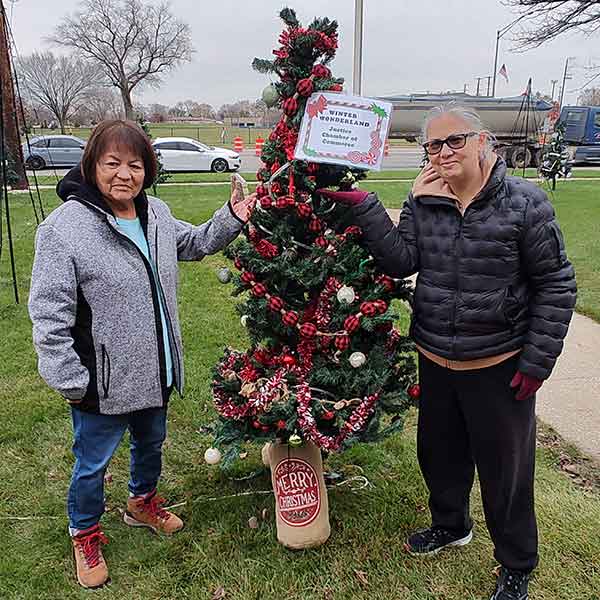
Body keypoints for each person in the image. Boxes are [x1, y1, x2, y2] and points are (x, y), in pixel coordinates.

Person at [321, 104, 576, 600]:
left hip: (499, 363)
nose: (442, 153)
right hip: (436, 355)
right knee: (440, 454)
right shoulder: (423, 199)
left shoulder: (526, 204)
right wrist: (366, 206)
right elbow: (402, 260)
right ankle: (451, 524)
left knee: (506, 473)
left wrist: (537, 361)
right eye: (432, 146)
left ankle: (516, 562)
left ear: (483, 143)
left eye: (453, 141)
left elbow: (556, 284)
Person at [28, 119, 256, 589]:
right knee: (92, 463)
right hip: (101, 381)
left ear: (147, 171)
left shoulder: (155, 214)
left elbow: (192, 244)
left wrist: (232, 215)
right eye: (112, 163)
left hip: (156, 370)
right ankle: (85, 532)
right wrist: (71, 379)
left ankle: (141, 503)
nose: (123, 174)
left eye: (134, 164)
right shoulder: (64, 230)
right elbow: (48, 315)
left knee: (150, 444)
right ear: (92, 165)